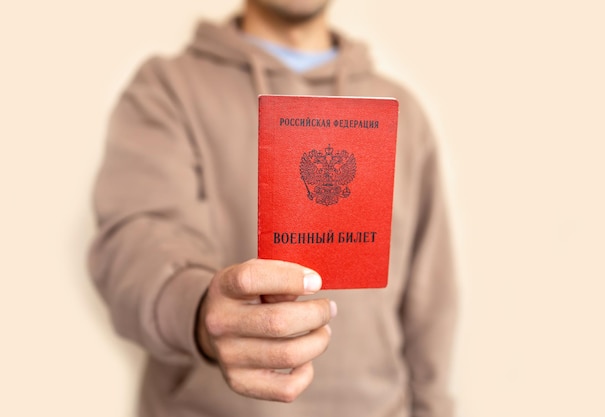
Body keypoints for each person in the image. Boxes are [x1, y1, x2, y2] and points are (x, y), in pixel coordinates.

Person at [89, 1, 458, 416]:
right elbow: (138, 239)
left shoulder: (403, 112)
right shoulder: (166, 88)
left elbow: (431, 299)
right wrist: (200, 312)